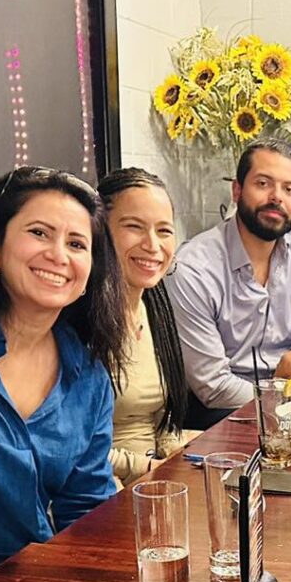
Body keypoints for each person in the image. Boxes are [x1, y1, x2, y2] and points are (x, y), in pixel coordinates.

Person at [0, 166, 124, 577]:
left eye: (77, 244)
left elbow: (85, 509)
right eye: (39, 233)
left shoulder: (89, 377)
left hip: (38, 577)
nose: (59, 256)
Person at [166, 137, 291, 426]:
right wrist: (288, 404)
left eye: (289, 189)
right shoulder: (193, 268)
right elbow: (213, 388)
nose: (277, 197)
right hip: (218, 418)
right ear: (237, 190)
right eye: (263, 184)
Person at [97, 167, 191, 484]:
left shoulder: (154, 305)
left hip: (150, 478)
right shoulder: (82, 321)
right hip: (103, 488)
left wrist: (179, 455)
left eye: (164, 231)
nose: (152, 245)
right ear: (99, 231)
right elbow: (76, 451)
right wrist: (151, 468)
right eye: (134, 227)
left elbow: (164, 421)